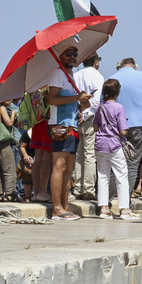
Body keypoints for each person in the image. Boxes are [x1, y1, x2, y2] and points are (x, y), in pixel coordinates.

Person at [44, 45, 90, 220]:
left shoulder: (70, 76)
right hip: (60, 126)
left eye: (75, 54)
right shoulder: (57, 74)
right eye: (68, 54)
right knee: (60, 166)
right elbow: (53, 99)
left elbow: (69, 101)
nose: (72, 57)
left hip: (71, 125)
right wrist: (77, 98)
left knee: (68, 168)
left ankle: (64, 205)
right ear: (60, 56)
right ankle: (57, 208)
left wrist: (80, 104)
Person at [106, 57, 142, 197]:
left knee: (114, 164)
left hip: (116, 126)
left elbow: (103, 103)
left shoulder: (112, 78)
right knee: (132, 164)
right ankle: (125, 201)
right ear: (135, 67)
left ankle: (109, 200)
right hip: (140, 125)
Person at [93, 78, 137, 220]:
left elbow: (95, 127)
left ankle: (104, 208)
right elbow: (123, 131)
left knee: (103, 176)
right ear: (117, 92)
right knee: (122, 176)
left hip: (100, 144)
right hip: (114, 145)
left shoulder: (100, 107)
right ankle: (124, 209)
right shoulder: (119, 108)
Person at [72, 53, 104, 200]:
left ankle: (78, 187)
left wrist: (79, 114)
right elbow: (96, 103)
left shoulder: (76, 75)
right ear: (95, 62)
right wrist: (85, 115)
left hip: (76, 116)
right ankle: (89, 188)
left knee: (79, 154)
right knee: (89, 154)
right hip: (89, 118)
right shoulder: (97, 76)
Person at [0, 98, 19, 202]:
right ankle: (10, 194)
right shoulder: (2, 108)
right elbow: (9, 123)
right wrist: (14, 114)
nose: (11, 100)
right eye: (8, 97)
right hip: (2, 142)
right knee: (9, 168)